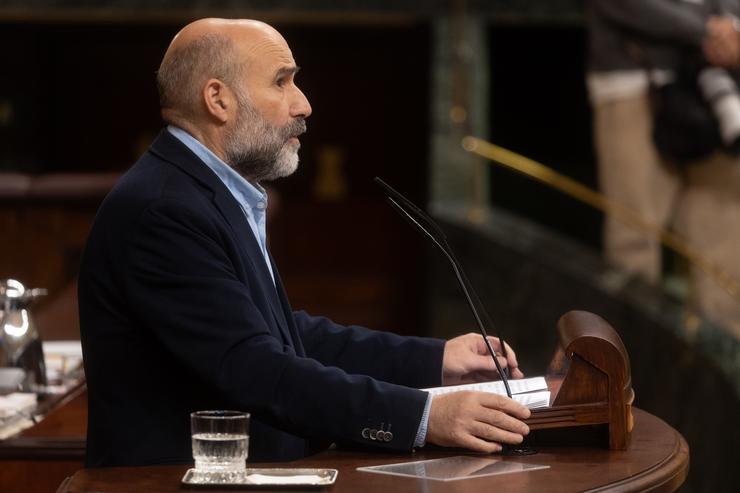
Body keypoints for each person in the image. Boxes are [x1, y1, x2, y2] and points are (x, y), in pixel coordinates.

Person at [78, 18, 531, 467]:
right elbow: (253, 368)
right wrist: (423, 415)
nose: (304, 104)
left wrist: (434, 361)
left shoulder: (199, 190)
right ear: (218, 99)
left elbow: (284, 336)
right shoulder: (164, 210)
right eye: (282, 82)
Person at [587, 0, 740, 336]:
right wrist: (707, 30)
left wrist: (733, 29)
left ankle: (723, 373)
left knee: (726, 244)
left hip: (720, 85)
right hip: (634, 80)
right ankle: (628, 375)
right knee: (634, 241)